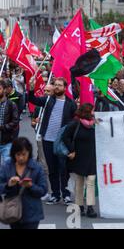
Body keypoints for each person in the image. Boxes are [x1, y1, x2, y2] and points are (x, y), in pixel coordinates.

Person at [28, 77, 77, 205]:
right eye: (55, 85)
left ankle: (66, 194)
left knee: (64, 169)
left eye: (59, 85)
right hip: (47, 140)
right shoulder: (48, 100)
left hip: (61, 142)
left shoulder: (71, 103)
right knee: (52, 169)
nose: (56, 87)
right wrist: (31, 89)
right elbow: (33, 100)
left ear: (64, 88)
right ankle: (55, 194)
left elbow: (74, 122)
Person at [0, 137, 47, 229]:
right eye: (18, 154)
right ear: (13, 154)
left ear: (29, 153)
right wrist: (8, 185)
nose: (21, 158)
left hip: (32, 214)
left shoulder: (36, 168)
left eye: (24, 154)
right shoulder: (7, 167)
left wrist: (31, 186)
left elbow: (43, 190)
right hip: (13, 213)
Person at [63, 103, 97, 218]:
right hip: (78, 156)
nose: (94, 112)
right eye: (92, 111)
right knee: (80, 181)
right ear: (87, 112)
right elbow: (65, 137)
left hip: (91, 156)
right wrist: (71, 150)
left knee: (91, 181)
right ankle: (80, 205)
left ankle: (90, 207)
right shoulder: (75, 124)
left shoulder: (95, 123)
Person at [31, 84, 54, 200]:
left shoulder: (54, 104)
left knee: (53, 166)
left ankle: (57, 190)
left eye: (48, 91)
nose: (45, 92)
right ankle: (47, 191)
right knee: (44, 166)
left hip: (53, 138)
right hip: (41, 137)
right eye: (44, 90)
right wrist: (35, 122)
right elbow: (33, 122)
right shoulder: (39, 107)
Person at [0, 80, 19, 165]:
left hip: (6, 142)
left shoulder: (11, 104)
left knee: (7, 167)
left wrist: (3, 127)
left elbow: (15, 121)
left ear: (4, 90)